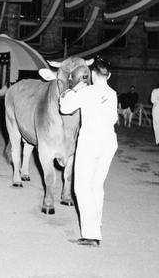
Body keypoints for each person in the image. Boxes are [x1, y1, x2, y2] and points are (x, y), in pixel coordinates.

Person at [59, 57, 118, 247]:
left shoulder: (87, 91)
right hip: (108, 142)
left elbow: (65, 108)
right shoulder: (113, 93)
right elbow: (114, 118)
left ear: (92, 74)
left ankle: (92, 235)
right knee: (97, 186)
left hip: (90, 143)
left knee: (82, 187)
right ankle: (96, 224)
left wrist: (73, 89)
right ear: (109, 75)